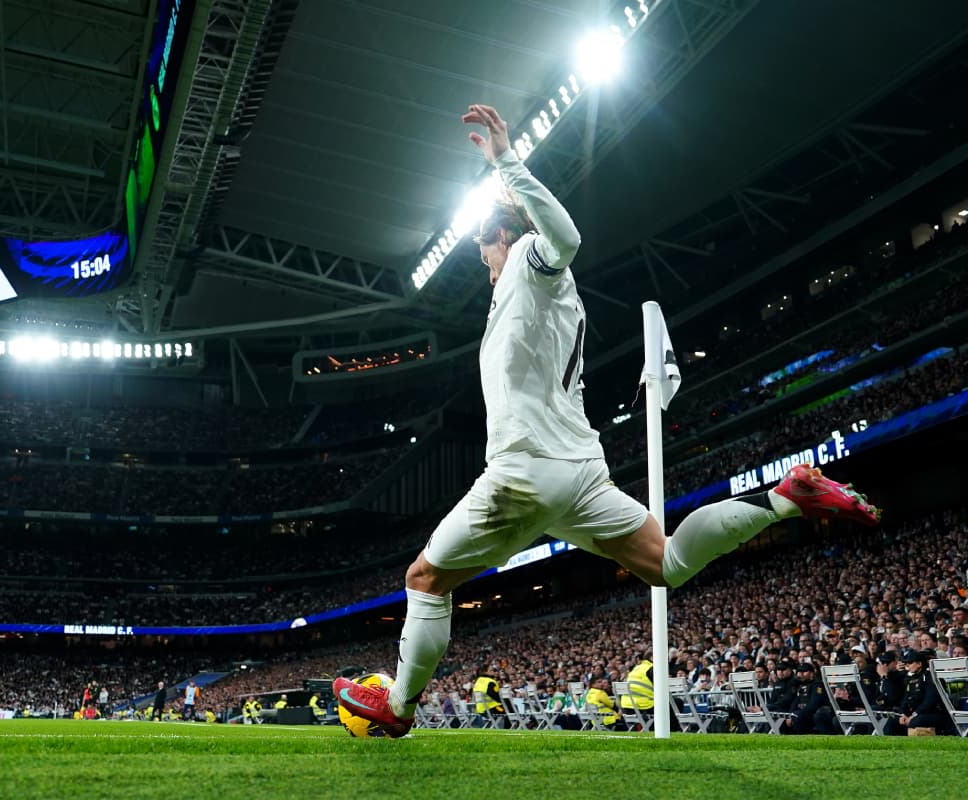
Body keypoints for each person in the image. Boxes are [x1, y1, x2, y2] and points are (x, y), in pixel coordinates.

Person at [334, 102, 882, 737]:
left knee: (425, 579)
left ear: (500, 238)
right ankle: (786, 499)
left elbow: (565, 238)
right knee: (666, 563)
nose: (485, 267)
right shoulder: (529, 292)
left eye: (484, 253)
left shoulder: (530, 261)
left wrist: (508, 162)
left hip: (526, 472)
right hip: (578, 474)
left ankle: (399, 708)